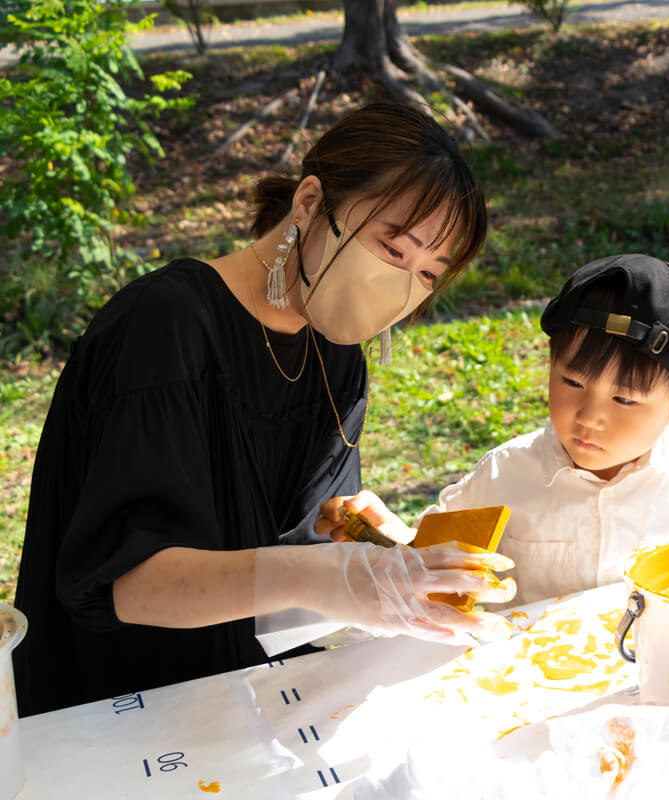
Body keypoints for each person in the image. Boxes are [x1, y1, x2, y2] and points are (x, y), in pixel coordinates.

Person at [13, 103, 516, 717]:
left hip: (248, 702)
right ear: (309, 203)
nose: (404, 282)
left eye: (428, 273)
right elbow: (125, 587)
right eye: (393, 246)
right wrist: (325, 576)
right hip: (122, 710)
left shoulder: (338, 360)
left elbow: (291, 568)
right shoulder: (164, 326)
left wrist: (375, 559)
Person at [410, 253, 669, 607]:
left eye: (624, 400)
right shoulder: (503, 476)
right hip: (535, 680)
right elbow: (423, 560)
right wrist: (383, 539)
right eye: (572, 383)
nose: (589, 417)